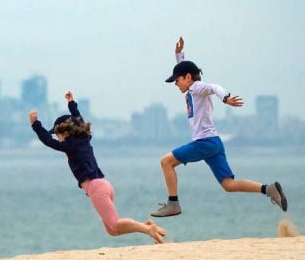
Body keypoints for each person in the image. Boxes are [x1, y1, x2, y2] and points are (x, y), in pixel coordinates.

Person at [151, 37, 287, 218]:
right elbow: (185, 70)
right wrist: (179, 55)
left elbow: (214, 87)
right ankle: (268, 189)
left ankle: (173, 204)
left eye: (177, 80)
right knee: (228, 185)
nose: (176, 83)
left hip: (204, 142)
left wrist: (225, 97)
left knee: (166, 162)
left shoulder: (197, 87)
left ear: (188, 78)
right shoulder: (193, 85)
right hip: (214, 143)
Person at [30, 92, 166, 244]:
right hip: (104, 185)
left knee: (115, 224)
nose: (57, 138)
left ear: (66, 132)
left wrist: (35, 124)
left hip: (96, 188)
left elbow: (48, 141)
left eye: (57, 134)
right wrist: (72, 103)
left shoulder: (70, 145)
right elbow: (80, 121)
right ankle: (147, 226)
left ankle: (148, 230)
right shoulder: (84, 138)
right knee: (112, 230)